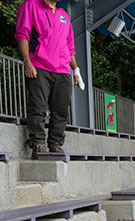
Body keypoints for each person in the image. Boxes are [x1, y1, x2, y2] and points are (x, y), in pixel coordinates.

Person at [15, 0, 82, 159]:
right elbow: (22, 34)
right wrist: (27, 62)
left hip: (63, 70)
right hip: (40, 66)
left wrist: (76, 70)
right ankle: (38, 142)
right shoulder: (30, 5)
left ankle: (55, 144)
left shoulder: (63, 15)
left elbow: (70, 47)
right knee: (37, 106)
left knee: (61, 111)